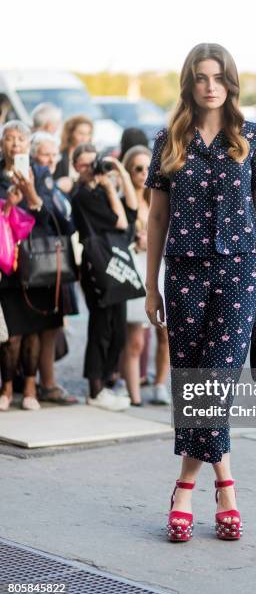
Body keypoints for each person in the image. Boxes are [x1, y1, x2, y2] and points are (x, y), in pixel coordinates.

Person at [144, 43, 256, 541]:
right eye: (201, 77)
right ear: (190, 82)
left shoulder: (253, 138)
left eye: (218, 77)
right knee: (192, 383)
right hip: (182, 274)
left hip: (240, 272)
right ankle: (225, 482)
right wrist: (151, 284)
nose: (210, 85)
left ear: (230, 82)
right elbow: (157, 217)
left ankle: (186, 487)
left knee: (214, 383)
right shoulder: (168, 139)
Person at [0, 121, 71, 411]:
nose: (15, 144)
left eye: (20, 139)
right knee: (11, 333)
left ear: (28, 143)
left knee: (32, 330)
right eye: (9, 138)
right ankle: (6, 389)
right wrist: (7, 206)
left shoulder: (40, 173)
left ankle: (30, 386)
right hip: (7, 262)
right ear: (2, 143)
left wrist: (30, 192)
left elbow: (52, 219)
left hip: (36, 260)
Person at [71, 143, 137, 411]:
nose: (90, 169)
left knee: (118, 329)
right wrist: (111, 187)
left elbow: (131, 210)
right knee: (101, 327)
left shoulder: (100, 189)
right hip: (96, 263)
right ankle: (95, 388)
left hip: (114, 260)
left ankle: (108, 383)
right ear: (76, 166)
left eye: (93, 163)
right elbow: (120, 222)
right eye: (84, 165)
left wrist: (119, 170)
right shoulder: (81, 196)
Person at [30, 132, 78, 404]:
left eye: (53, 154)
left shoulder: (52, 185)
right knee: (42, 324)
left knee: (53, 324)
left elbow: (66, 223)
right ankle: (42, 383)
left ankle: (47, 382)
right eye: (44, 154)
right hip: (41, 261)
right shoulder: (37, 182)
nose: (49, 159)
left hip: (58, 260)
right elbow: (49, 217)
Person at [120, 145, 170, 406]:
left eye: (147, 168)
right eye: (136, 168)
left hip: (159, 268)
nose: (143, 173)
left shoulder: (158, 198)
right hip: (134, 269)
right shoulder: (124, 201)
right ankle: (133, 393)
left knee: (166, 333)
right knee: (135, 338)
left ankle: (160, 384)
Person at [54, 115, 94, 196]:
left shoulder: (94, 155)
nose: (84, 138)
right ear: (71, 133)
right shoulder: (59, 155)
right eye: (80, 133)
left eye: (88, 134)